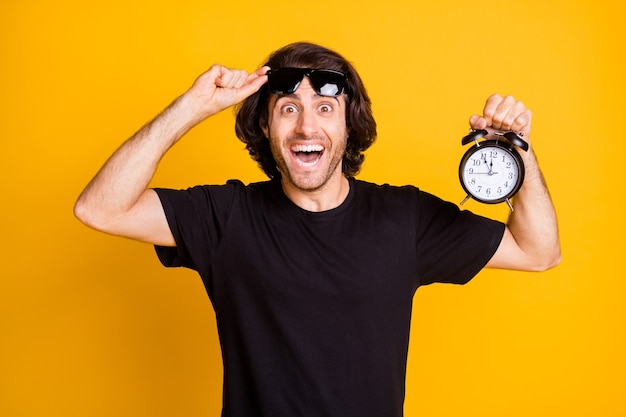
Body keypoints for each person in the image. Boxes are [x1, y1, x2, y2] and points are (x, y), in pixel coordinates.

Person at [74, 42, 560, 416]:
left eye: (325, 108)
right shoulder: (225, 216)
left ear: (350, 126)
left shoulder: (404, 218)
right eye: (288, 108)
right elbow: (100, 209)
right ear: (266, 127)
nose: (307, 126)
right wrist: (192, 107)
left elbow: (538, 250)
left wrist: (518, 151)